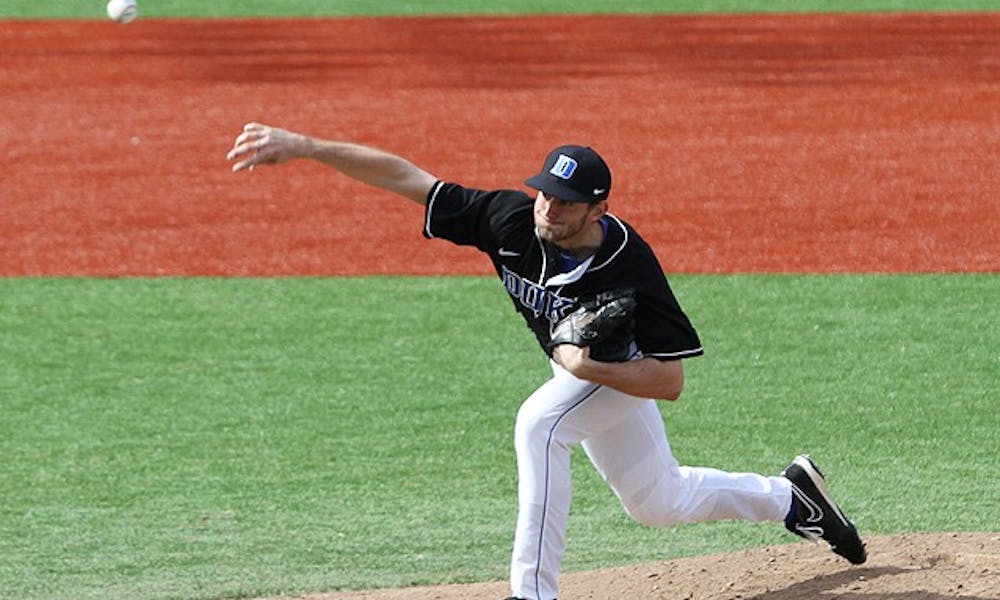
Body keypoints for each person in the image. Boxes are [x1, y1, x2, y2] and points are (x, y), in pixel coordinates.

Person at [226, 123, 867, 600]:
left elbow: (669, 381)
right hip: (584, 374)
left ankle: (533, 593)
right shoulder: (510, 219)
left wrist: (590, 370)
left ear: (598, 209)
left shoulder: (631, 266)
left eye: (564, 202)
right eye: (544, 194)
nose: (547, 208)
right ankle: (794, 499)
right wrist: (307, 146)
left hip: (620, 374)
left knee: (541, 424)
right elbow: (407, 178)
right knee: (657, 502)